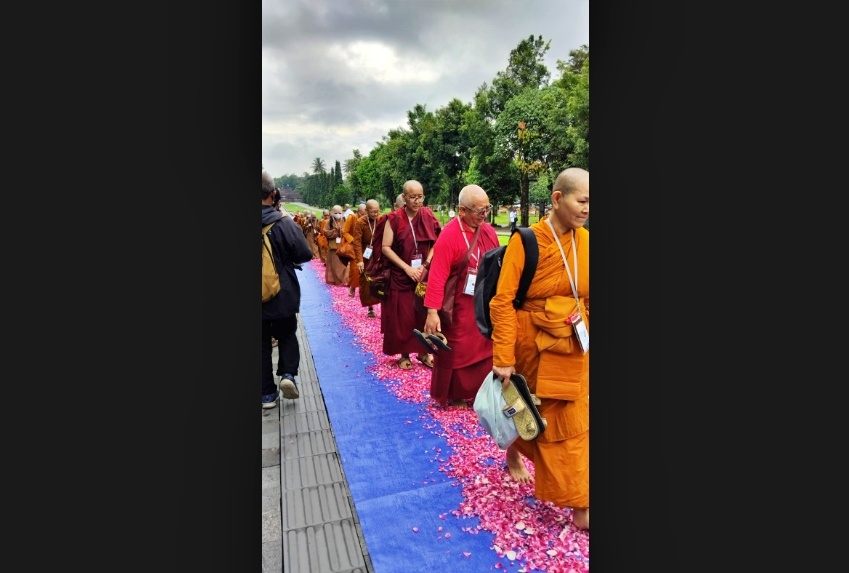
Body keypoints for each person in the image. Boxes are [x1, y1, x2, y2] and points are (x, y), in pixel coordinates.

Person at [490, 167, 590, 530]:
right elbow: (502, 302)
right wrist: (503, 357)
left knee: (574, 424)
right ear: (558, 199)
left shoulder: (585, 241)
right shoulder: (528, 240)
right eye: (582, 201)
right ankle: (515, 453)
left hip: (573, 348)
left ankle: (581, 505)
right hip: (531, 343)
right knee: (530, 413)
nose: (587, 209)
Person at [421, 185, 500, 408]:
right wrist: (432, 312)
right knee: (456, 351)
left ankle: (480, 393)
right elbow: (437, 276)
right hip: (458, 307)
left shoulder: (488, 231)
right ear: (462, 210)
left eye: (487, 209)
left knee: (485, 348)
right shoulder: (450, 234)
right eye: (479, 211)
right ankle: (454, 395)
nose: (484, 215)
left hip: (483, 304)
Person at [262, 171, 314, 408]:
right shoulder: (282, 222)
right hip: (282, 292)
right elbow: (304, 254)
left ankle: (266, 395)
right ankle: (288, 375)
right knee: (286, 334)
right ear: (273, 194)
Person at [380, 180, 441, 370]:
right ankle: (404, 354)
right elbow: (385, 248)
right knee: (403, 317)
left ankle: (424, 352)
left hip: (422, 274)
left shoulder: (428, 215)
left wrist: (425, 265)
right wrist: (407, 268)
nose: (417, 201)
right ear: (404, 197)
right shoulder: (394, 218)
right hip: (401, 274)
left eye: (420, 196)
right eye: (413, 197)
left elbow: (437, 243)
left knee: (422, 314)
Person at [353, 199, 384, 318]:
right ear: (366, 211)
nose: (375, 214)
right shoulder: (360, 222)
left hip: (380, 255)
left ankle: (383, 307)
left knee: (382, 281)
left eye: (377, 211)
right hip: (366, 256)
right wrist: (359, 260)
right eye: (372, 212)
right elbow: (356, 242)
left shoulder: (381, 220)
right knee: (366, 281)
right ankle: (370, 308)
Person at [343, 203, 368, 297]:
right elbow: (344, 231)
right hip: (354, 247)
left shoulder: (369, 219)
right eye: (362, 214)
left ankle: (365, 289)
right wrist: (353, 240)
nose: (364, 216)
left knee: (367, 267)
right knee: (354, 268)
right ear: (357, 212)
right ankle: (353, 287)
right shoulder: (352, 217)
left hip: (366, 247)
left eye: (365, 214)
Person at [323, 205, 349, 286]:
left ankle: (344, 279)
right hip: (333, 247)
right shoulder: (329, 222)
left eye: (339, 212)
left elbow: (348, 232)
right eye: (336, 213)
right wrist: (335, 231)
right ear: (332, 213)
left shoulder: (345, 220)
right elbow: (326, 232)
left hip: (343, 246)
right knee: (335, 265)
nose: (338, 214)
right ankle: (336, 280)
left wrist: (342, 232)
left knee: (343, 264)